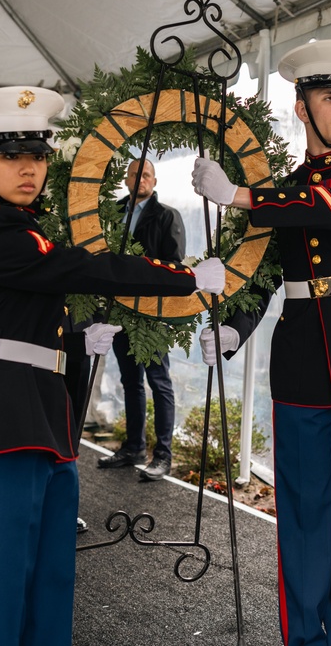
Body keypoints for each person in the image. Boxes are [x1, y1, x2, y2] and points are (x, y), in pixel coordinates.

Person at [0, 86, 226, 646]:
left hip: (42, 420)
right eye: (10, 156)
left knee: (50, 587)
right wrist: (187, 277)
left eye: (39, 156)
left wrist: (72, 336)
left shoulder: (21, 230)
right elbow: (89, 269)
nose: (29, 169)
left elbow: (24, 306)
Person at [191, 40, 331, 646]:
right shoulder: (282, 195)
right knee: (302, 520)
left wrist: (243, 197)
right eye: (330, 97)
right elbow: (266, 274)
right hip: (301, 370)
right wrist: (234, 329)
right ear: (302, 108)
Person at [97, 158, 186, 481]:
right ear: (126, 179)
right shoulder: (111, 214)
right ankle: (133, 447)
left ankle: (163, 455)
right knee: (130, 381)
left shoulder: (166, 216)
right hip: (120, 311)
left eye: (146, 174)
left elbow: (174, 265)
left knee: (159, 382)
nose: (140, 179)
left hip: (152, 312)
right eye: (135, 174)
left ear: (154, 179)